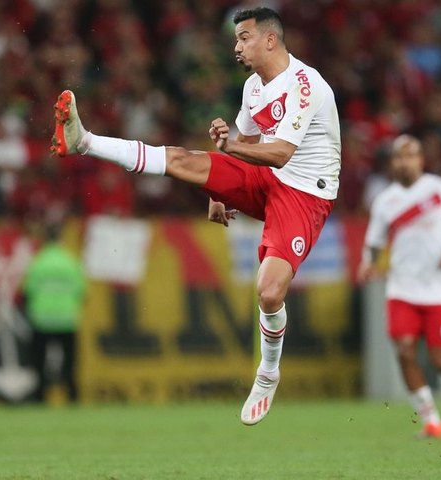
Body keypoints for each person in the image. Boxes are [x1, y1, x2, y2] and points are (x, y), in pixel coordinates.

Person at [50, 7, 340, 425]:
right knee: (184, 160)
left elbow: (279, 153)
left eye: (243, 38)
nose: (236, 47)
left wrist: (230, 151)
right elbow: (248, 141)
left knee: (270, 292)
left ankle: (268, 370)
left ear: (270, 40)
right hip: (266, 180)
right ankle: (85, 141)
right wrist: (220, 191)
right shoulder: (255, 87)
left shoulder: (305, 84)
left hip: (304, 194)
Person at [358, 134, 441, 439]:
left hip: (440, 290)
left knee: (440, 360)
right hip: (402, 289)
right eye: (398, 157)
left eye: (409, 155)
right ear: (392, 163)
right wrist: (369, 262)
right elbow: (374, 242)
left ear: (420, 159)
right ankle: (431, 421)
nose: (404, 162)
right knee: (404, 352)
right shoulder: (385, 201)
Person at [22, 223, 86, 403]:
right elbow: (82, 291)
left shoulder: (38, 261)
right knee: (70, 362)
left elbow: (28, 290)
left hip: (42, 319)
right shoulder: (71, 261)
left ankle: (40, 397)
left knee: (40, 362)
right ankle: (72, 397)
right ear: (61, 239)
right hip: (67, 319)